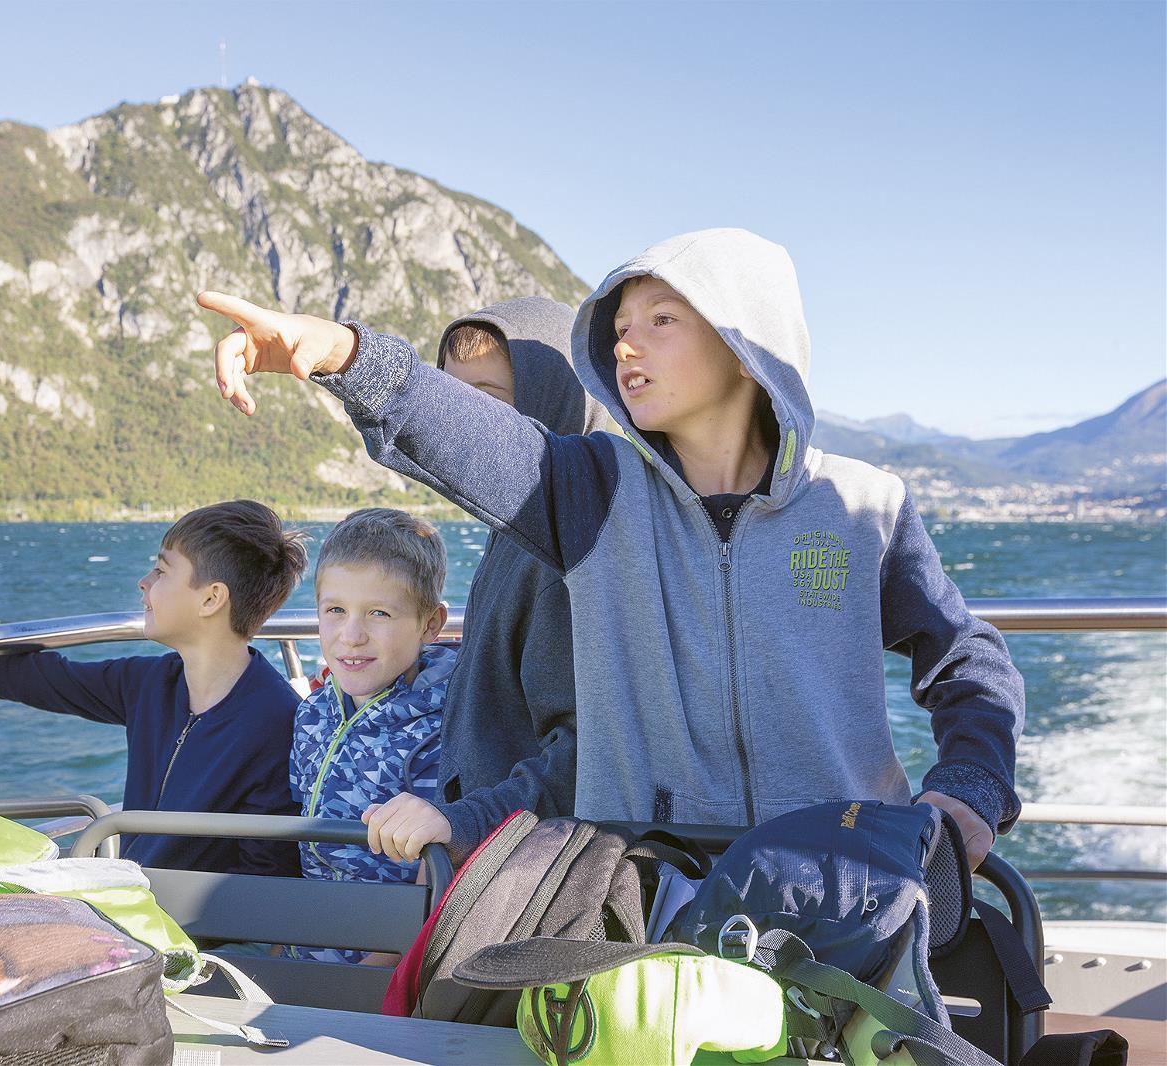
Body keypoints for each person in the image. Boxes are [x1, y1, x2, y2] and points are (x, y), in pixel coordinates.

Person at [196, 228, 1024, 869]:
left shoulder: (864, 506)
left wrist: (970, 792)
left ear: (751, 348)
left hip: (840, 878)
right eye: (620, 328)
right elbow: (464, 435)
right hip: (648, 887)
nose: (626, 346)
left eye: (663, 321)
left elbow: (968, 661)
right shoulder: (592, 489)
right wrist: (340, 353)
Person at [0, 499, 308, 877]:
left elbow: (264, 875)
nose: (144, 583)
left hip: (191, 930)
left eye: (161, 571)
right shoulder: (152, 684)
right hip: (129, 896)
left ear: (211, 598)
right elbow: (40, 678)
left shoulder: (274, 720)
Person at [362, 298, 615, 865]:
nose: (460, 420)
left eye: (486, 399)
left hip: (524, 868)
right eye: (450, 397)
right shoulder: (518, 530)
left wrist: (465, 821)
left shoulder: (561, 560)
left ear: (555, 394)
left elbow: (584, 757)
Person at [289, 507, 453, 963]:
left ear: (430, 624)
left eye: (379, 613)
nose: (352, 635)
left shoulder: (444, 727)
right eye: (335, 610)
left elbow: (437, 876)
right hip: (300, 945)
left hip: (385, 964)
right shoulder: (312, 716)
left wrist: (374, 976)